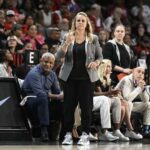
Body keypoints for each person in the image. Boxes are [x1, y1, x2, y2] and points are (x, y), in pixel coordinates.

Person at [55, 12, 102, 145]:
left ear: (87, 23)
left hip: (87, 79)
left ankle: (85, 134)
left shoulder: (93, 38)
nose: (80, 23)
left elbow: (100, 57)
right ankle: (68, 134)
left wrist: (96, 63)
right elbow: (58, 56)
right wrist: (67, 43)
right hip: (69, 78)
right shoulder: (67, 37)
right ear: (74, 23)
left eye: (83, 21)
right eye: (78, 20)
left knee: (86, 108)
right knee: (68, 107)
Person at [95, 59, 143, 140]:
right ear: (103, 67)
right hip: (99, 101)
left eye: (110, 67)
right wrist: (110, 93)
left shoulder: (108, 79)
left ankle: (117, 130)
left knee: (123, 105)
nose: (110, 69)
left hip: (107, 100)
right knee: (124, 103)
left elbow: (109, 93)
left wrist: (114, 93)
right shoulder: (97, 78)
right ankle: (129, 129)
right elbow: (103, 94)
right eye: (108, 67)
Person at [22, 52, 63, 141]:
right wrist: (57, 96)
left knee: (64, 102)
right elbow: (40, 93)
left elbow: (57, 91)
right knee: (43, 97)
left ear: (53, 64)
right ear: (41, 61)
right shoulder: (33, 73)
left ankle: (64, 131)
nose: (48, 64)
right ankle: (43, 130)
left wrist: (63, 95)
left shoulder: (52, 74)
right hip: (30, 100)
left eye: (51, 63)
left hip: (45, 100)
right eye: (46, 62)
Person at [115, 66, 150, 138]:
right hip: (118, 104)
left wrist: (143, 90)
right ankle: (128, 130)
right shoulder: (127, 80)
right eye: (138, 71)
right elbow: (126, 98)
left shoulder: (139, 81)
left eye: (143, 73)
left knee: (148, 104)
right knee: (129, 103)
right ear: (133, 71)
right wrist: (138, 89)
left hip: (128, 105)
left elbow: (145, 100)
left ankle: (145, 130)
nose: (140, 74)